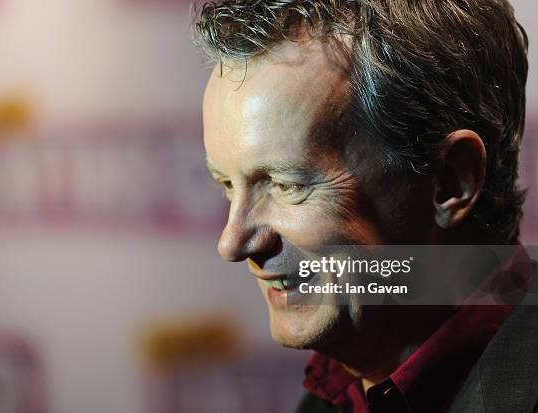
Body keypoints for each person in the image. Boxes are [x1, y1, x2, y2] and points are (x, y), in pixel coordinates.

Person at [192, 1, 538, 412]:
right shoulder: (333, 399)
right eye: (228, 185)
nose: (232, 243)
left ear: (452, 181)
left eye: (287, 185)